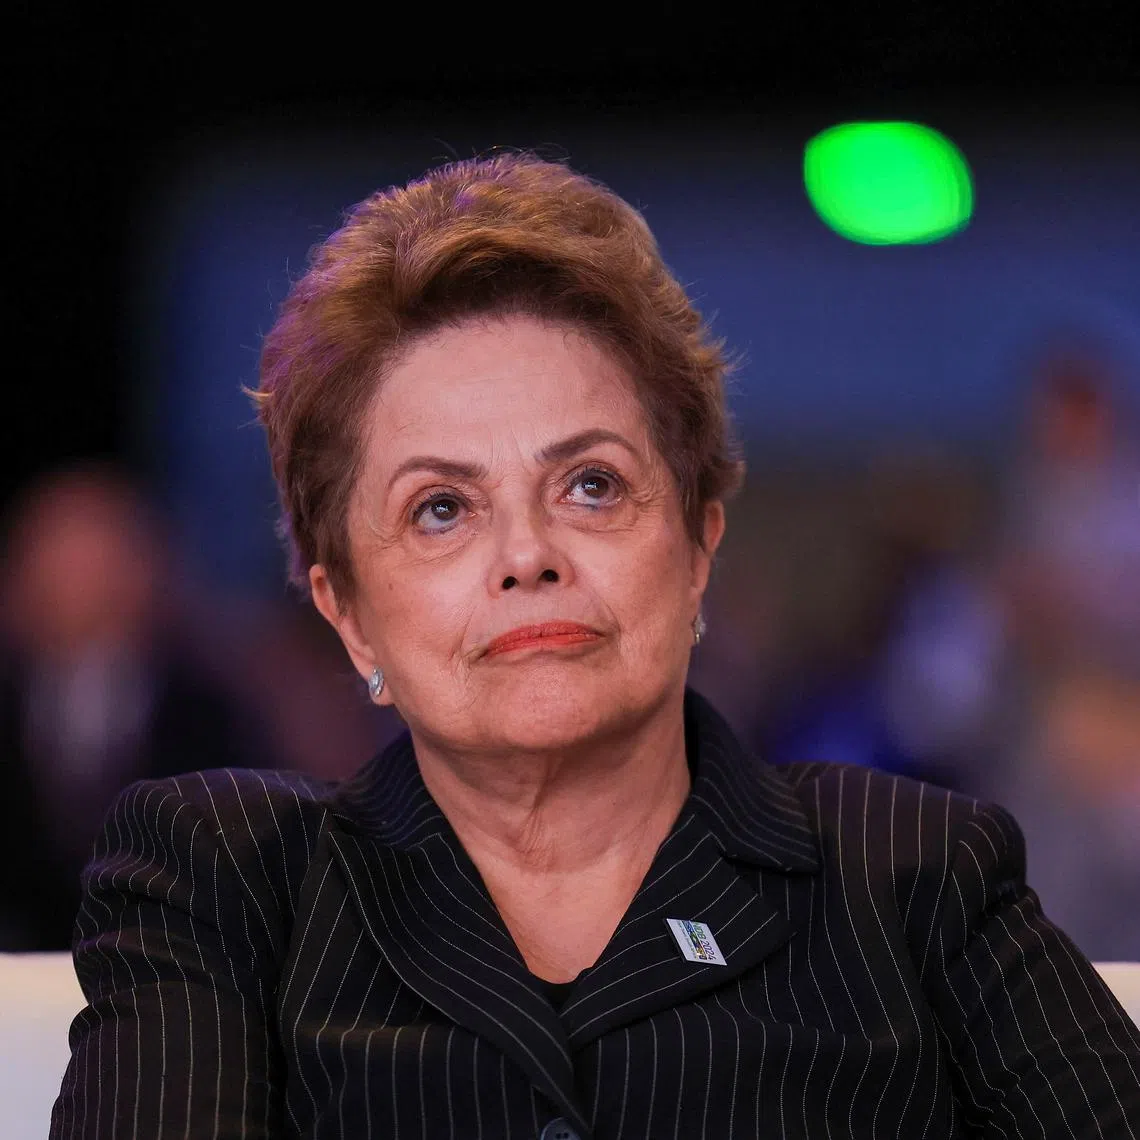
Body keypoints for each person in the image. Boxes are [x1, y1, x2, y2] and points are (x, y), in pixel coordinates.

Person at [51, 155, 1140, 1138]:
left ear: (700, 543)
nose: (528, 555)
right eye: (440, 509)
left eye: (592, 485)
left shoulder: (914, 874)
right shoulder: (223, 883)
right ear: (346, 610)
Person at [0, 467, 277, 950]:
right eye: (61, 549)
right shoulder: (9, 706)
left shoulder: (209, 711)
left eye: (103, 552)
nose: (83, 576)